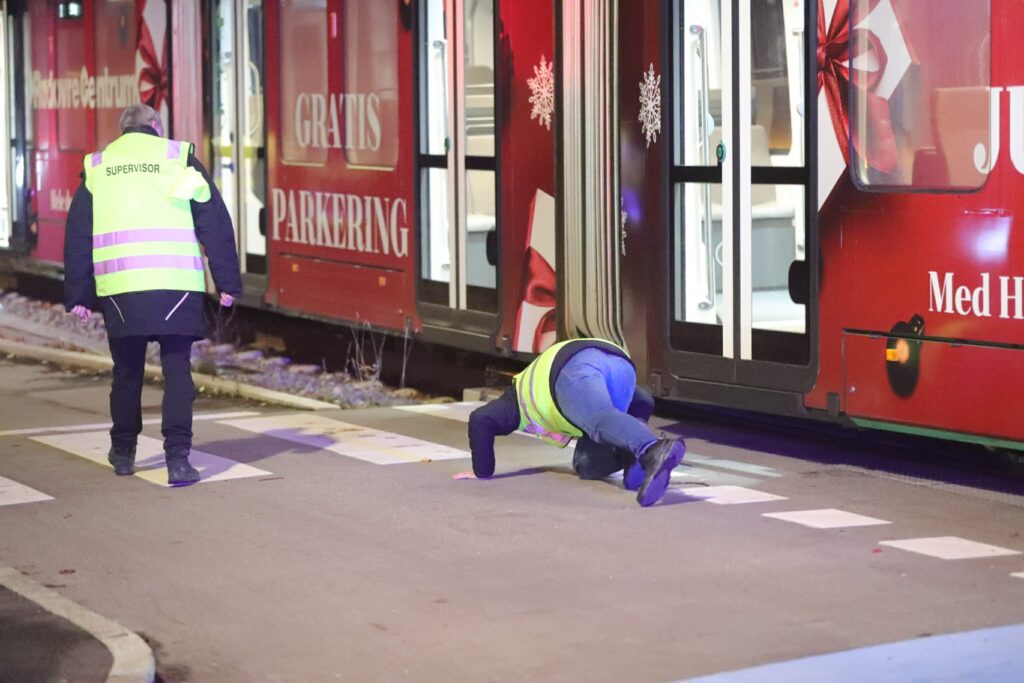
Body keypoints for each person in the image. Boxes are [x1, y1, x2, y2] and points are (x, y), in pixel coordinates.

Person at [64, 104, 242, 486]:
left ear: (123, 130)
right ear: (156, 126)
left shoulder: (99, 166)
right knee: (177, 371)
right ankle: (178, 459)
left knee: (127, 372)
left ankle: (123, 453)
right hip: (175, 284)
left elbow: (79, 233)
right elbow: (212, 219)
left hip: (121, 289)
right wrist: (227, 282)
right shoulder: (177, 157)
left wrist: (79, 293)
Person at [454, 338, 685, 507]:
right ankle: (633, 458)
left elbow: (480, 419)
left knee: (598, 419)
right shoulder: (536, 385)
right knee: (586, 465)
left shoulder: (517, 403)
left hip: (573, 370)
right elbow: (642, 398)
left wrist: (481, 471)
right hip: (621, 364)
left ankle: (652, 449)